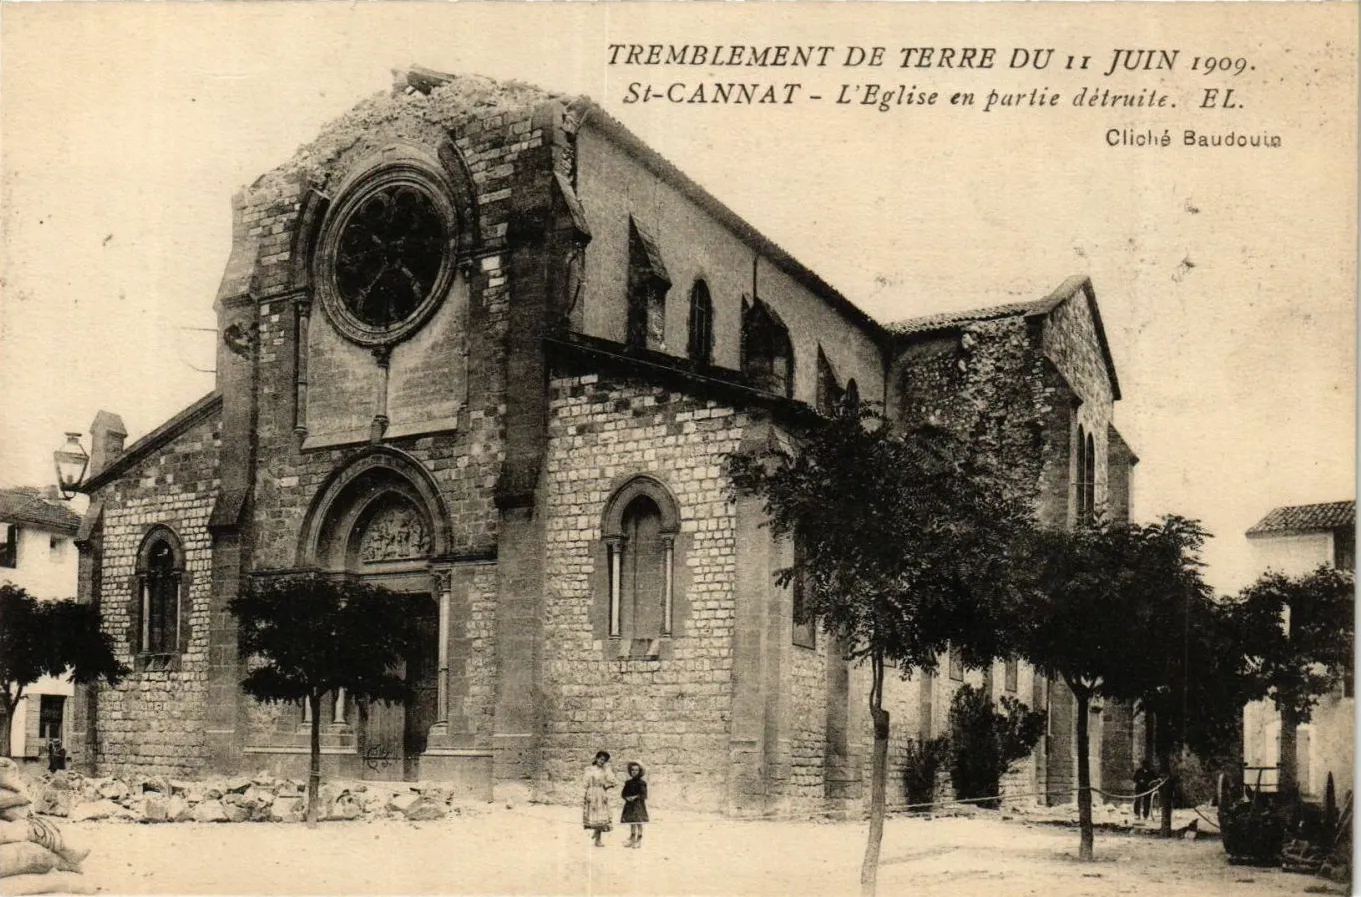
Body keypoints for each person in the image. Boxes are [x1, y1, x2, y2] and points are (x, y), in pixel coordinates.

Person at [582, 750, 616, 846]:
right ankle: (596, 833)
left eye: (604, 760)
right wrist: (585, 795)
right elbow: (585, 783)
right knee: (594, 816)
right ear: (596, 758)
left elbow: (613, 782)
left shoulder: (605, 770)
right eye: (601, 759)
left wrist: (606, 786)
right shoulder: (589, 770)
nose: (602, 762)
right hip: (591, 793)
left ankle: (598, 839)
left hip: (601, 795)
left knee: (601, 817)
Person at [621, 762, 649, 848]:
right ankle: (632, 837)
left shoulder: (642, 783)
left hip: (638, 805)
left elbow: (644, 795)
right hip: (630, 805)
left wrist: (635, 797)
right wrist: (626, 797)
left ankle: (639, 839)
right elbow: (623, 793)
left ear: (639, 771)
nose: (634, 772)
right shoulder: (628, 783)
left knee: (638, 821)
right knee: (632, 822)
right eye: (632, 770)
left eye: (636, 770)